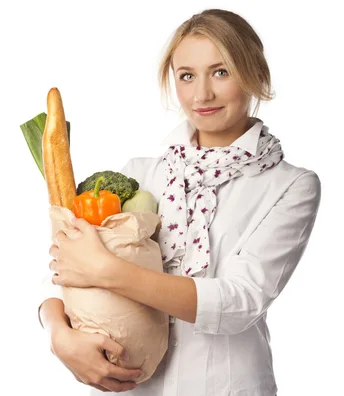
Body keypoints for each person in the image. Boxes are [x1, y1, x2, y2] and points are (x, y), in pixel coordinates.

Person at [38, 8, 321, 396]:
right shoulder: (140, 174)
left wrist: (107, 270)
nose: (201, 94)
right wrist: (58, 335)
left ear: (256, 75)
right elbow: (64, 271)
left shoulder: (291, 186)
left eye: (221, 72)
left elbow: (239, 301)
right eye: (186, 76)